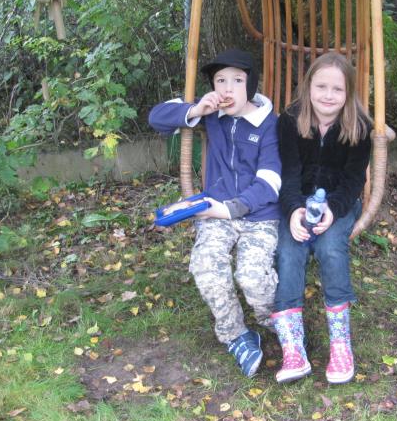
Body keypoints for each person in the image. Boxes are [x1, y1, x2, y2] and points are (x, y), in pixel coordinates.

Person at [148, 48, 281, 378]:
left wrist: (229, 209)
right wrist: (196, 109)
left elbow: (270, 182)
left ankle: (277, 321)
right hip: (216, 211)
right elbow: (156, 117)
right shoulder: (212, 115)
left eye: (237, 80)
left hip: (259, 215)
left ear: (251, 85)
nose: (228, 88)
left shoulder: (269, 124)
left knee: (252, 277)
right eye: (220, 81)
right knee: (206, 265)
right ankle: (236, 334)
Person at [271, 52, 372, 385]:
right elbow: (288, 173)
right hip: (297, 202)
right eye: (321, 86)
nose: (328, 95)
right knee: (289, 252)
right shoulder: (290, 121)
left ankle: (341, 345)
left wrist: (334, 208)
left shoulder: (360, 127)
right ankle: (292, 348)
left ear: (349, 93)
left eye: (337, 89)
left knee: (330, 248)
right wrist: (293, 211)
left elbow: (354, 181)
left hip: (339, 204)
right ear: (308, 86)